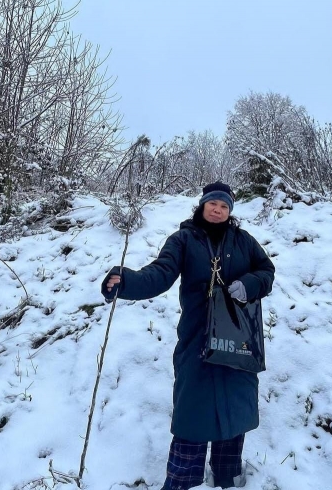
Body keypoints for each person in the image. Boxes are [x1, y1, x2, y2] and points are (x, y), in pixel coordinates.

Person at [102, 182, 275, 490]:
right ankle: (183, 480)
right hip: (197, 339)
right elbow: (159, 273)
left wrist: (250, 284)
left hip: (240, 339)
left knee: (235, 411)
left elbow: (267, 271)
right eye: (213, 204)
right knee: (192, 414)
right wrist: (125, 281)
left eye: (224, 206)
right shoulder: (183, 240)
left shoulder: (244, 241)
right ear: (203, 205)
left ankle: (228, 477)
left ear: (230, 211)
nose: (218, 210)